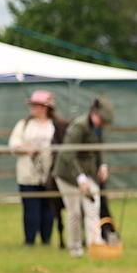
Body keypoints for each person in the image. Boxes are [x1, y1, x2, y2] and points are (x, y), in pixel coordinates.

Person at [51, 96, 114, 258]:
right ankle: (75, 248)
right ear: (94, 114)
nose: (103, 124)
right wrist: (80, 178)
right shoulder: (79, 127)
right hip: (67, 174)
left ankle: (96, 244)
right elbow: (67, 154)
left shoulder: (100, 129)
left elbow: (99, 148)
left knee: (93, 208)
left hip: (87, 174)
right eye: (102, 120)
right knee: (75, 213)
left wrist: (103, 166)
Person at [8, 90, 59, 245]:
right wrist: (28, 149)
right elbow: (13, 145)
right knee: (31, 210)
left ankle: (46, 240)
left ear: (46, 107)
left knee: (48, 210)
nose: (33, 108)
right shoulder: (24, 125)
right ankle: (29, 240)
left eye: (37, 105)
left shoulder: (54, 125)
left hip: (49, 175)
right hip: (28, 175)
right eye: (33, 105)